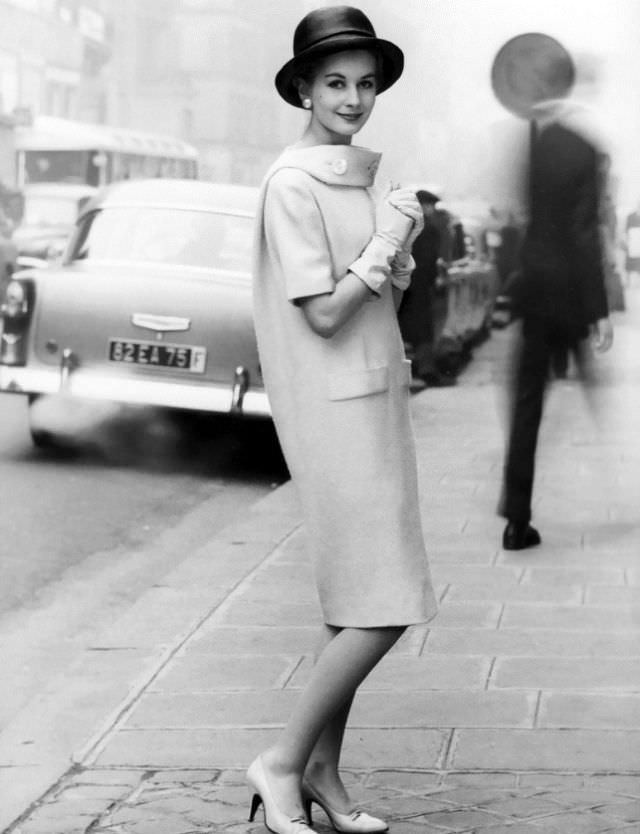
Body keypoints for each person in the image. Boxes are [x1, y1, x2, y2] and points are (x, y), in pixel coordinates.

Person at [249, 7, 437, 833]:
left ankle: (324, 772)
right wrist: (379, 245)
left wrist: (399, 251)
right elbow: (324, 314)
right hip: (333, 411)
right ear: (304, 88)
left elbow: (373, 306)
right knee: (386, 604)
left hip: (371, 397)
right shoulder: (293, 183)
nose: (354, 98)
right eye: (335, 83)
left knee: (351, 601)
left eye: (365, 84)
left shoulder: (347, 177)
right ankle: (283, 760)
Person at [499, 84, 613, 551]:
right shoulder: (586, 151)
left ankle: (516, 520)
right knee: (591, 390)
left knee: (526, 410)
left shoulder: (533, 145)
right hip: (568, 296)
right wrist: (599, 310)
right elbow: (586, 234)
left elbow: (528, 225)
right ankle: (611, 476)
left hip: (536, 295)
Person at [397, 188, 453, 385]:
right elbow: (429, 259)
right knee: (423, 328)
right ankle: (426, 370)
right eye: (428, 205)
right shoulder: (428, 228)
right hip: (420, 284)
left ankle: (413, 370)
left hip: (405, 284)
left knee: (407, 326)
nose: (430, 209)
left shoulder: (405, 224)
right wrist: (433, 279)